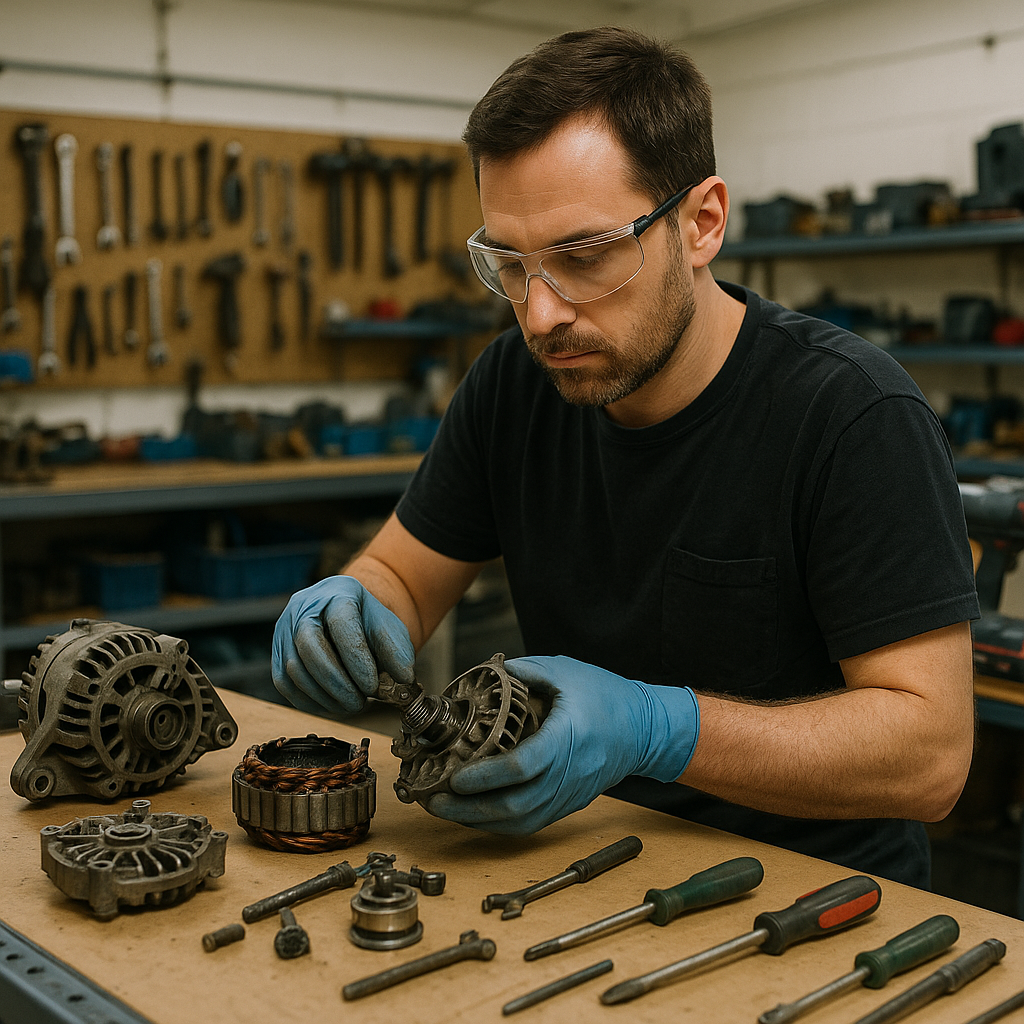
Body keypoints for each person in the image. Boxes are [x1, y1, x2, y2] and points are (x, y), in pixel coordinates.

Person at [272, 26, 979, 888]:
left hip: (808, 895)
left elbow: (931, 757)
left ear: (702, 223)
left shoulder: (853, 414)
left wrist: (658, 729)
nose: (539, 315)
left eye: (582, 256)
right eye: (511, 264)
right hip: (578, 865)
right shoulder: (514, 383)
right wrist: (354, 607)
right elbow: (405, 578)